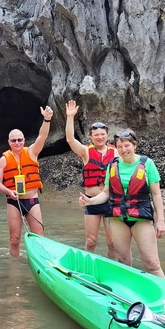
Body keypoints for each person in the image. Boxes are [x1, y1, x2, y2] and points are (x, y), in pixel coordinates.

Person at [79, 130, 165, 277]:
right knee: (123, 260)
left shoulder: (147, 164)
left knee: (152, 263)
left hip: (141, 219)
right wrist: (90, 201)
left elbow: (157, 195)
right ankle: (128, 295)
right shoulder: (112, 165)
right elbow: (106, 193)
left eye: (127, 146)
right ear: (116, 148)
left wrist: (161, 221)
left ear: (134, 145)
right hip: (118, 219)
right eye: (120, 147)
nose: (124, 150)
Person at [0, 106, 53, 257]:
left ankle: (41, 262)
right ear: (9, 142)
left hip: (32, 201)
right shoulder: (4, 159)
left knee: (39, 236)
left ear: (24, 140)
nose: (17, 142)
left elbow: (43, 136)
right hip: (13, 202)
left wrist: (46, 119)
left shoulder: (32, 152)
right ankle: (15, 269)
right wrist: (8, 191)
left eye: (20, 139)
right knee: (14, 239)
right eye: (13, 140)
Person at [65, 100, 116, 259]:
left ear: (107, 135)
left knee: (112, 242)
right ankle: (88, 269)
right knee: (91, 240)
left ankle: (111, 268)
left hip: (111, 200)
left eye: (102, 134)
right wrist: (70, 117)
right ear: (91, 137)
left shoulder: (116, 153)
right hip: (91, 200)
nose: (100, 137)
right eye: (96, 135)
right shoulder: (85, 152)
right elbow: (70, 140)